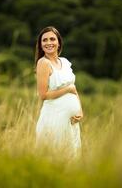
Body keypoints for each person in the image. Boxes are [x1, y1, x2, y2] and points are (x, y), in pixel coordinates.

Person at [34, 26, 83, 160]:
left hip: (71, 121)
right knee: (54, 156)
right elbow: (43, 95)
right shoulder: (43, 63)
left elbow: (74, 88)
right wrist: (67, 89)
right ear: (41, 45)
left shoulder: (65, 62)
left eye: (52, 39)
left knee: (71, 157)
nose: (49, 42)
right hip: (54, 118)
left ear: (59, 42)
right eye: (44, 40)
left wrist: (80, 110)